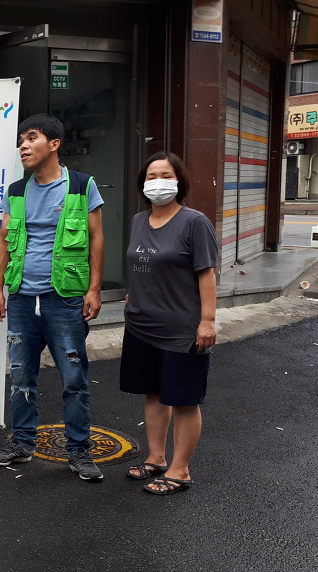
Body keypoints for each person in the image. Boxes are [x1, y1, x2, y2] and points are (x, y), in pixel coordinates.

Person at [0, 113, 106, 482]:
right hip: (22, 298)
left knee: (74, 379)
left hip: (64, 298)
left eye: (31, 138)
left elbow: (97, 238)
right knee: (22, 376)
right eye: (21, 140)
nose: (23, 146)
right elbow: (4, 240)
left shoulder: (81, 186)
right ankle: (22, 444)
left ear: (54, 144)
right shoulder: (17, 191)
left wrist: (94, 288)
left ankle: (79, 451)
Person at [119, 152, 218, 495]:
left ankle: (180, 471)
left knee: (184, 400)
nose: (157, 182)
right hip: (141, 325)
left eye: (165, 175)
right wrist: (134, 293)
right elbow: (142, 264)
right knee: (154, 393)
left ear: (179, 181)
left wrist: (207, 321)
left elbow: (206, 273)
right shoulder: (138, 220)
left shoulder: (194, 222)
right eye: (151, 176)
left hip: (182, 329)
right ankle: (157, 457)